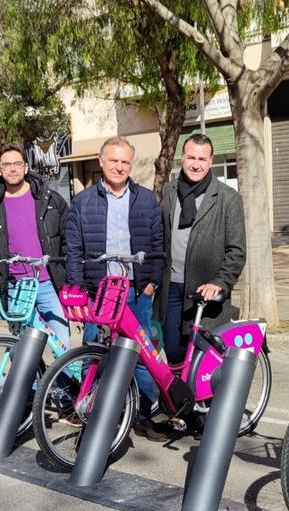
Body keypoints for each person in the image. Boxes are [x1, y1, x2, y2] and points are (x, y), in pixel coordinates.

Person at [65, 136, 165, 440]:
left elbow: (160, 244)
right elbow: (73, 250)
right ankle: (89, 413)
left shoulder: (147, 199)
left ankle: (143, 416)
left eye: (125, 162)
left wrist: (151, 284)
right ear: (101, 161)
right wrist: (80, 290)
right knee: (93, 354)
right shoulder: (82, 203)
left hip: (136, 292)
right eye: (114, 160)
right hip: (100, 293)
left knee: (143, 357)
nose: (119, 167)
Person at [155, 133, 245, 363]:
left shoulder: (228, 198)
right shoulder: (170, 192)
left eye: (202, 159)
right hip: (171, 289)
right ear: (182, 159)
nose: (196, 164)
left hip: (205, 289)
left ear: (211, 161)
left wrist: (220, 282)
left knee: (203, 361)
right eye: (191, 157)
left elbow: (236, 251)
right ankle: (179, 400)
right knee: (173, 353)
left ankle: (204, 400)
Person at [0, 143, 71, 349]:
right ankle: (31, 383)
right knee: (22, 350)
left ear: (26, 167)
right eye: (7, 164)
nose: (12, 169)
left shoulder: (50, 199)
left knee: (63, 345)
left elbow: (68, 241)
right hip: (15, 287)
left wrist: (68, 279)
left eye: (17, 164)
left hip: (49, 284)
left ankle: (63, 383)